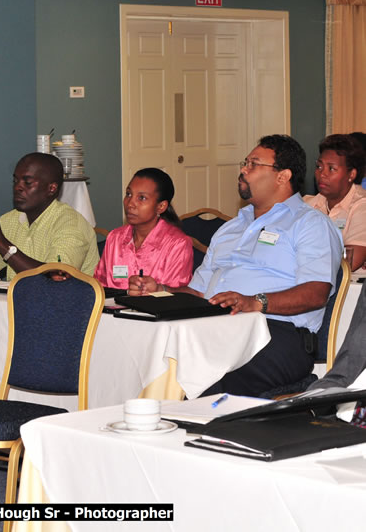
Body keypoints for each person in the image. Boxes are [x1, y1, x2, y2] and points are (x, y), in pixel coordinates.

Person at [132, 135, 343, 397]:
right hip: (214, 325)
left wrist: (256, 302)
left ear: (282, 176)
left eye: (254, 164)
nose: (243, 170)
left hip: (275, 335)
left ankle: (201, 430)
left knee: (204, 369)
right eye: (246, 162)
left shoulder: (310, 224)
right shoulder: (230, 228)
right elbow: (199, 293)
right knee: (149, 350)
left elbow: (316, 293)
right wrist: (160, 290)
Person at [0, 152, 99, 281]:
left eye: (28, 182)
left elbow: (54, 279)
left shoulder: (71, 225)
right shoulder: (9, 220)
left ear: (51, 189)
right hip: (17, 299)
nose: (18, 187)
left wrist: (1, 243)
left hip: (68, 300)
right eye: (15, 180)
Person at [95, 168, 193, 291]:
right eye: (128, 194)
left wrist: (157, 289)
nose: (130, 204)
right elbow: (100, 286)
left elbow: (179, 298)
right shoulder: (115, 238)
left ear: (161, 206)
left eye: (141, 198)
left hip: (156, 309)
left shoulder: (177, 244)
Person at [303, 134, 366, 271]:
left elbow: (350, 261)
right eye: (319, 167)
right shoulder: (306, 204)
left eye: (331, 168)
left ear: (352, 175)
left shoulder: (362, 206)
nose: (322, 174)